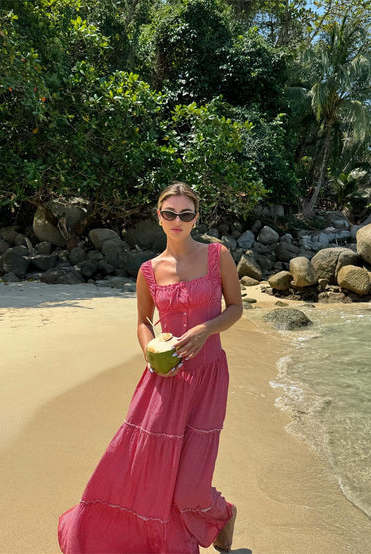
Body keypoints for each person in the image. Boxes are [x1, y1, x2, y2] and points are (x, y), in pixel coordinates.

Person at [58, 182, 242, 553]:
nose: (178, 220)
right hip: (163, 379)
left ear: (196, 218)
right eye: (170, 213)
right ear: (158, 217)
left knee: (190, 484)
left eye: (186, 214)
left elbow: (235, 308)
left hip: (207, 376)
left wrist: (206, 330)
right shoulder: (148, 270)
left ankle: (223, 513)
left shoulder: (217, 255)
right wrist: (149, 354)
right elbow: (143, 322)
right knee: (144, 467)